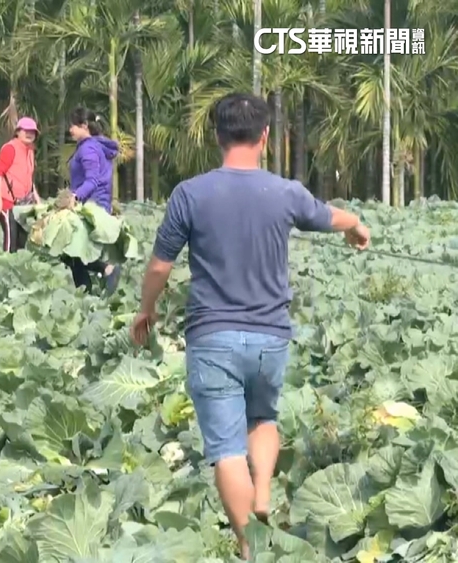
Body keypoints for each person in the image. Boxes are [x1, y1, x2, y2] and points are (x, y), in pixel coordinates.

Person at [129, 93, 370, 560]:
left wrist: (146, 309)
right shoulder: (283, 191)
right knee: (263, 419)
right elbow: (327, 215)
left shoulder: (190, 193)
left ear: (216, 137)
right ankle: (263, 494)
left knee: (224, 448)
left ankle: (248, 546)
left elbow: (160, 266)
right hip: (269, 337)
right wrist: (355, 226)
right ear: (264, 137)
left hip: (212, 337)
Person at [64, 107, 121, 295]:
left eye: (72, 125)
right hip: (94, 204)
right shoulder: (94, 146)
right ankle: (89, 291)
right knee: (74, 253)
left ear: (84, 125)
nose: (70, 130)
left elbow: (92, 180)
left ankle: (106, 270)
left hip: (90, 206)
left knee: (72, 252)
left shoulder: (88, 148)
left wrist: (75, 196)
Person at [0, 117, 40, 252]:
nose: (30, 134)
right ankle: (6, 265)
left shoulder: (30, 150)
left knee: (22, 239)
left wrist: (37, 199)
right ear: (18, 132)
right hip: (7, 200)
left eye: (33, 132)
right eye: (26, 131)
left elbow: (29, 178)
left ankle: (17, 267)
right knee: (11, 236)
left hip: (23, 202)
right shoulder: (10, 148)